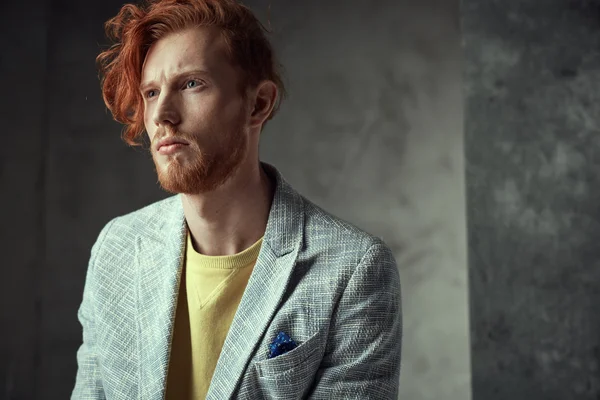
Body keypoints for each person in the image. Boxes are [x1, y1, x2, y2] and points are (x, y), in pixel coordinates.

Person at [71, 0, 402, 399]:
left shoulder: (352, 271)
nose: (161, 115)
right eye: (151, 92)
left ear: (258, 104)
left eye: (192, 84)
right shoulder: (117, 249)